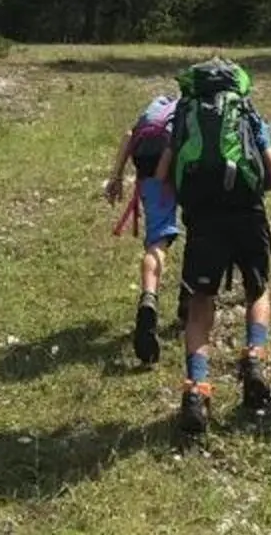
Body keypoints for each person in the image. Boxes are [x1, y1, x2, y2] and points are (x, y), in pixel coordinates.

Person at [154, 59, 271, 434]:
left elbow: (163, 176)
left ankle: (196, 389)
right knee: (257, 289)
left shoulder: (184, 115)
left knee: (200, 303)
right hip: (248, 213)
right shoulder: (246, 112)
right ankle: (255, 360)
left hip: (203, 220)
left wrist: (191, 199)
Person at [104, 93, 183, 365]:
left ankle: (149, 296)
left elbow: (129, 134)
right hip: (181, 171)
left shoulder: (154, 109)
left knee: (157, 242)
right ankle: (189, 301)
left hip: (149, 172)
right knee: (199, 235)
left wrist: (116, 177)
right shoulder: (190, 110)